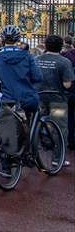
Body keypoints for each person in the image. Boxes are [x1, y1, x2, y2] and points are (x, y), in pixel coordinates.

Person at [34, 35, 74, 164]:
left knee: (37, 124)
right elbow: (67, 84)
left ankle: (36, 153)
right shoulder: (64, 62)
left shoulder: (36, 59)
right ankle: (58, 158)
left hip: (39, 97)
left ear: (45, 45)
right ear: (61, 46)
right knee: (60, 127)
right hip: (57, 101)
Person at [0, 25, 43, 115]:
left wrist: (4, 89)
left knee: (4, 124)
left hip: (8, 98)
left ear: (3, 39)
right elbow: (38, 77)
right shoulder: (27, 56)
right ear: (17, 39)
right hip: (28, 97)